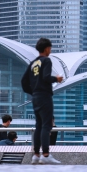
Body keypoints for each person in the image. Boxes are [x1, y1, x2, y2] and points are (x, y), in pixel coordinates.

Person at [20, 37, 63, 165]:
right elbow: (46, 77)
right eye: (50, 48)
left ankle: (36, 155)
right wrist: (56, 79)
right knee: (46, 125)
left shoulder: (33, 63)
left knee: (39, 125)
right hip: (44, 96)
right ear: (47, 48)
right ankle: (45, 154)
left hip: (35, 97)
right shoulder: (46, 60)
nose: (50, 50)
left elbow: (23, 82)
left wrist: (33, 92)